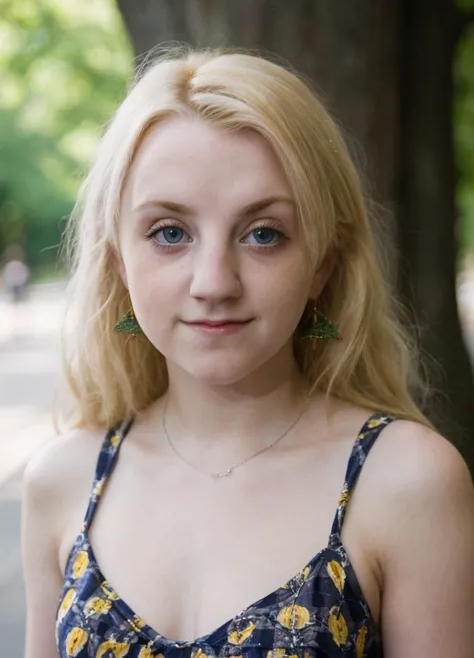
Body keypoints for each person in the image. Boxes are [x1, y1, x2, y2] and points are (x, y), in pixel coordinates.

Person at [22, 48, 474, 658]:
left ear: (322, 265)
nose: (214, 282)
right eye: (170, 233)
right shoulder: (64, 482)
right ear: (118, 263)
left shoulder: (405, 482)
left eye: (263, 234)